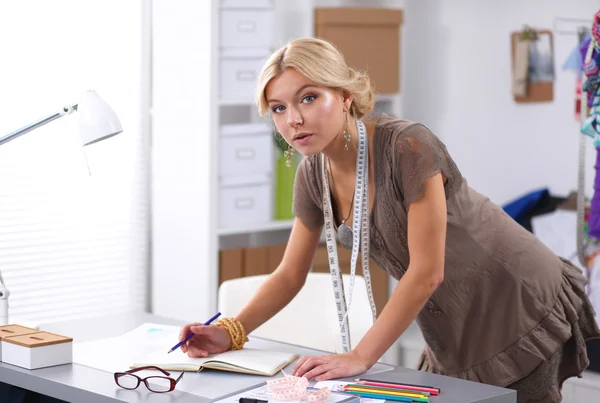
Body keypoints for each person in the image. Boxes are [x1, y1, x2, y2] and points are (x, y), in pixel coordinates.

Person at [178, 37, 600, 402]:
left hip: (515, 297)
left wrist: (361, 356)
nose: (294, 119)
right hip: (450, 322)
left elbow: (426, 271)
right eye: (278, 108)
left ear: (344, 96)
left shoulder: (407, 146)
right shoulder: (312, 174)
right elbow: (290, 273)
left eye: (309, 97)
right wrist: (231, 331)